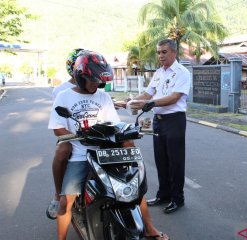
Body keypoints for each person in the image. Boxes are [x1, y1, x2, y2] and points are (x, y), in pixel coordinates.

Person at [48, 51, 169, 240]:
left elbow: (113, 123)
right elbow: (57, 128)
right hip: (81, 153)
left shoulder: (103, 96)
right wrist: (78, 137)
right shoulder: (63, 96)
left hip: (106, 152)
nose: (97, 85)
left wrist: (127, 131)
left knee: (131, 188)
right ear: (80, 76)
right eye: (93, 81)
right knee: (67, 200)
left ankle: (149, 227)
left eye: (99, 82)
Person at [127, 39, 191, 214]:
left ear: (174, 53)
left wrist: (149, 104)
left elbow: (174, 97)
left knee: (175, 162)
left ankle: (177, 198)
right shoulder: (158, 73)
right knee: (161, 160)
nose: (160, 56)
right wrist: (130, 101)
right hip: (158, 120)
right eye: (158, 52)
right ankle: (164, 195)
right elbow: (148, 94)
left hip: (174, 120)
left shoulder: (182, 72)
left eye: (164, 52)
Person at [46, 48, 84, 220]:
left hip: (92, 133)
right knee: (63, 150)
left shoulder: (93, 83)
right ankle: (58, 194)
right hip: (70, 133)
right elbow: (58, 119)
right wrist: (71, 134)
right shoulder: (60, 91)